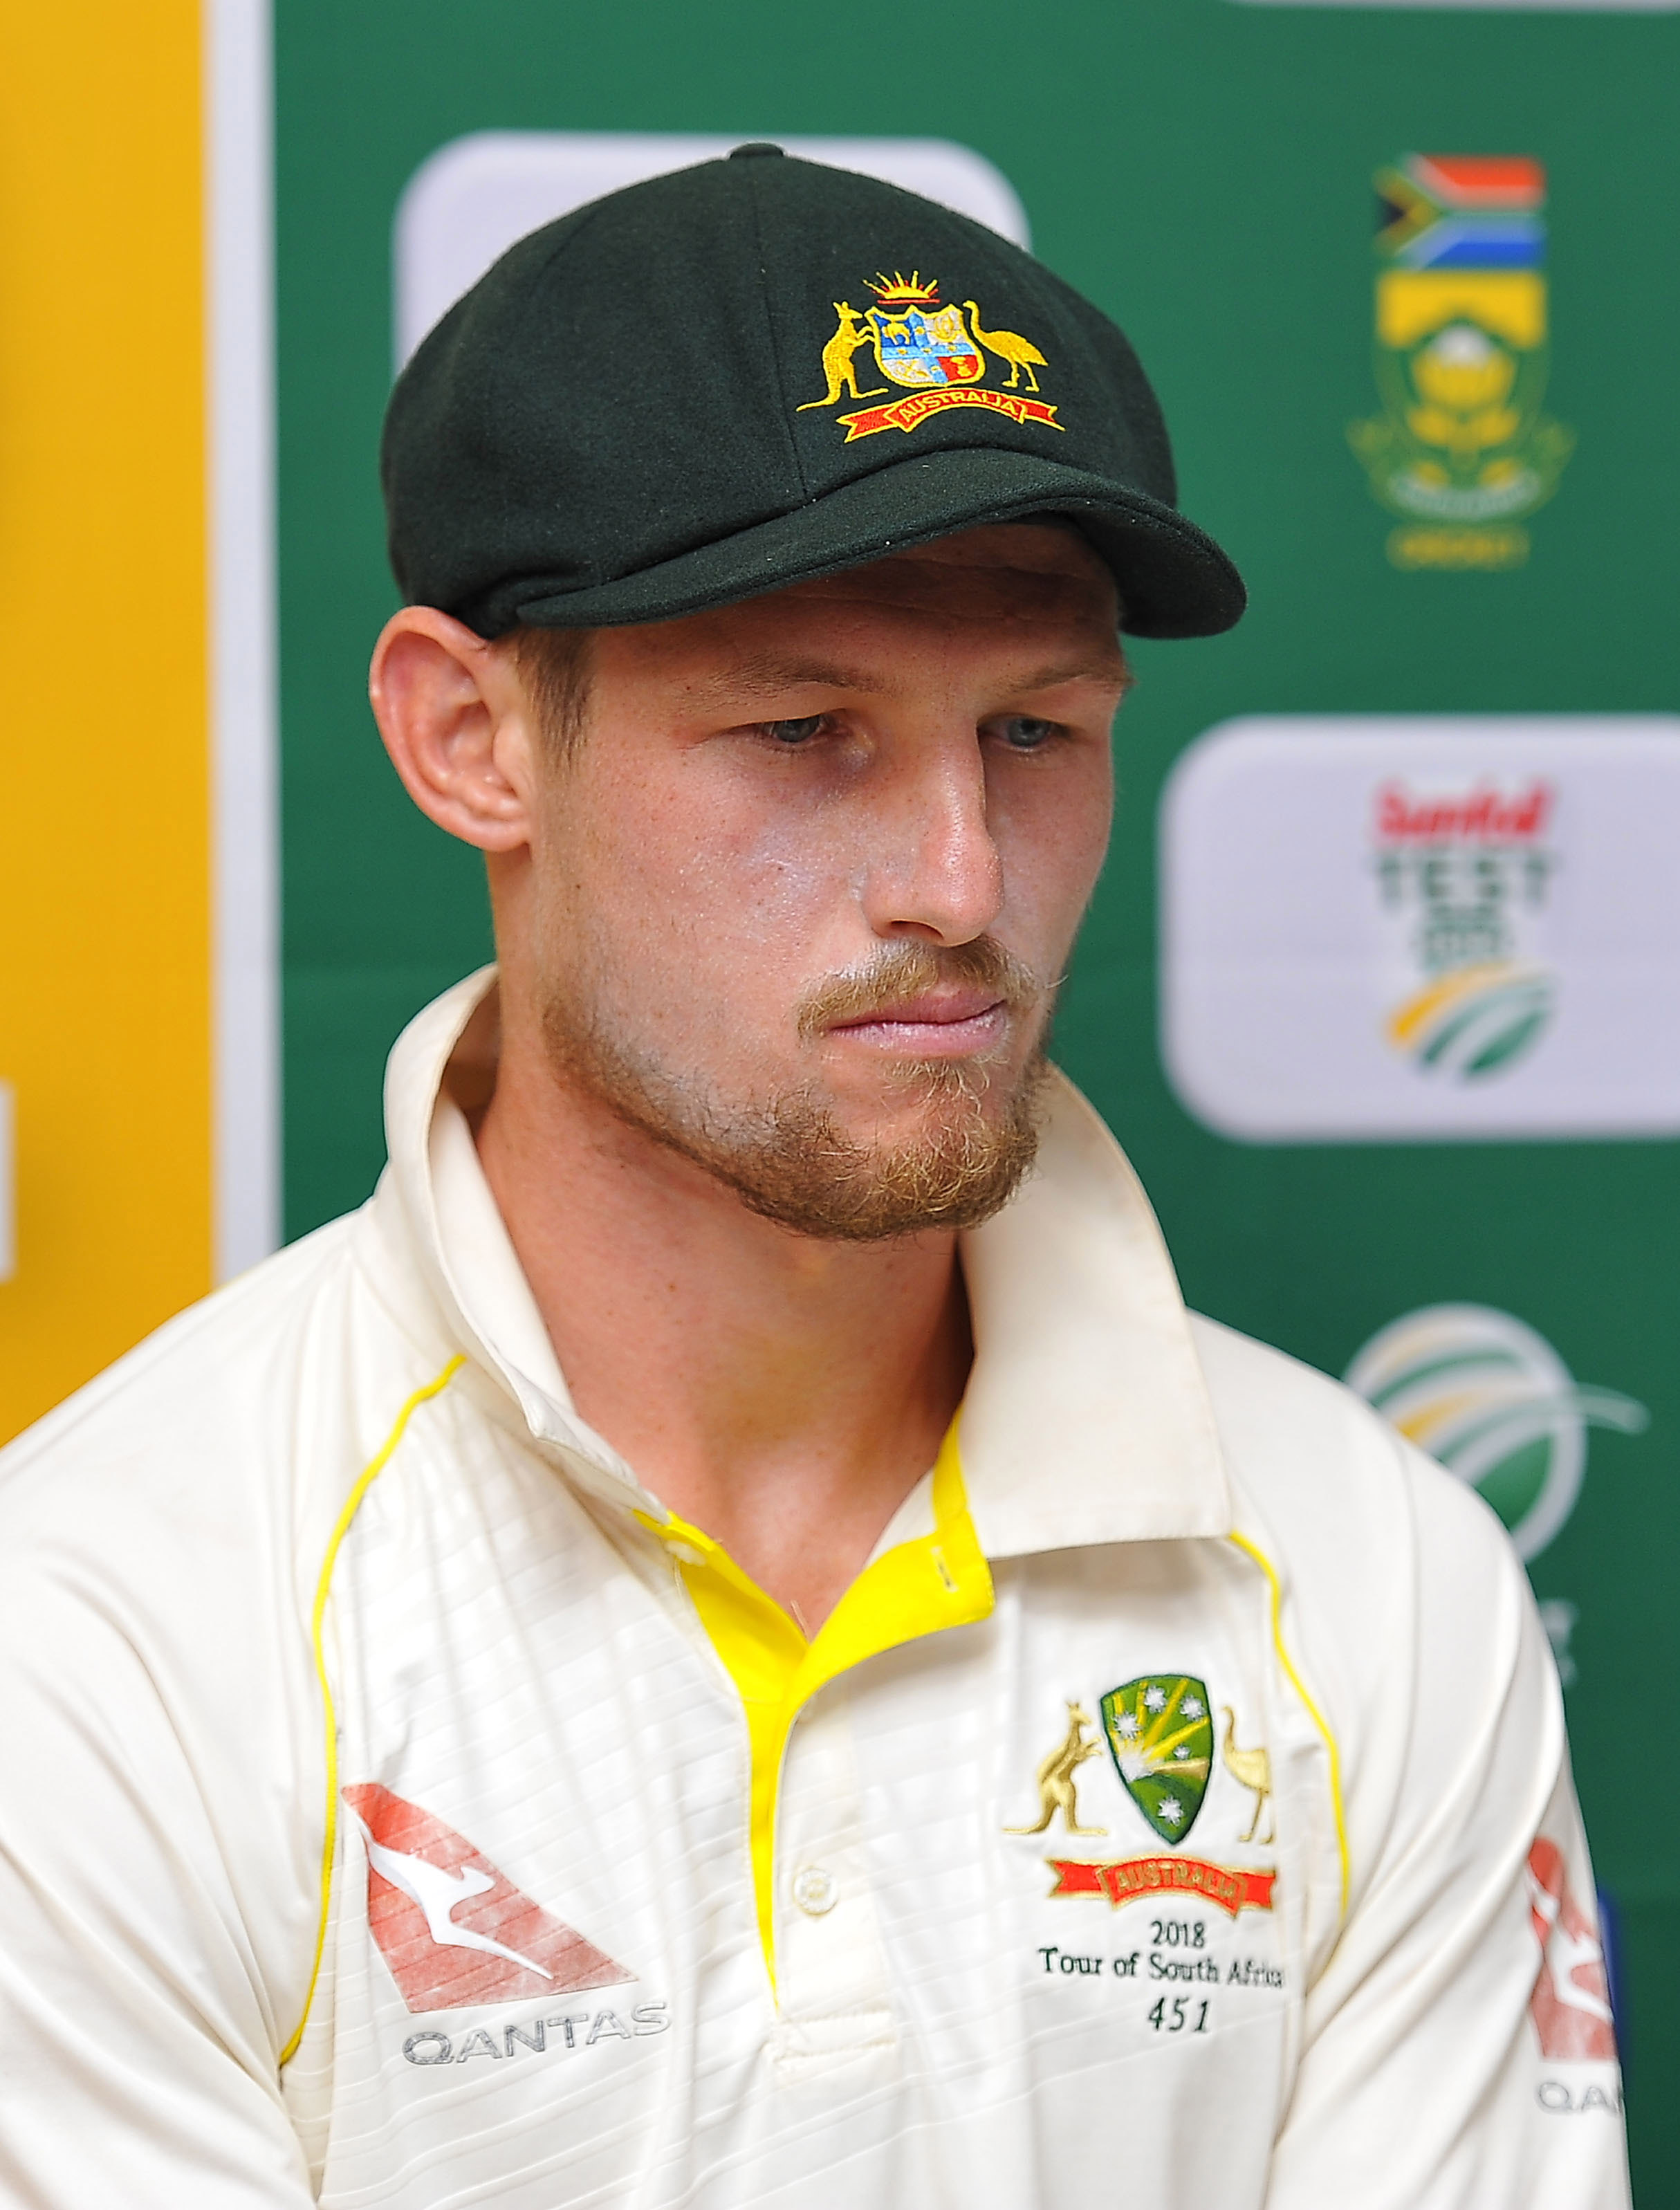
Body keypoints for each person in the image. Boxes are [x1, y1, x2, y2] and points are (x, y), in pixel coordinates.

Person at [0, 148, 1627, 2209]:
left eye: (1034, 732)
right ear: (471, 738)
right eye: (803, 730)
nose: (961, 882)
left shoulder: (1381, 1580)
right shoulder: (102, 1638)